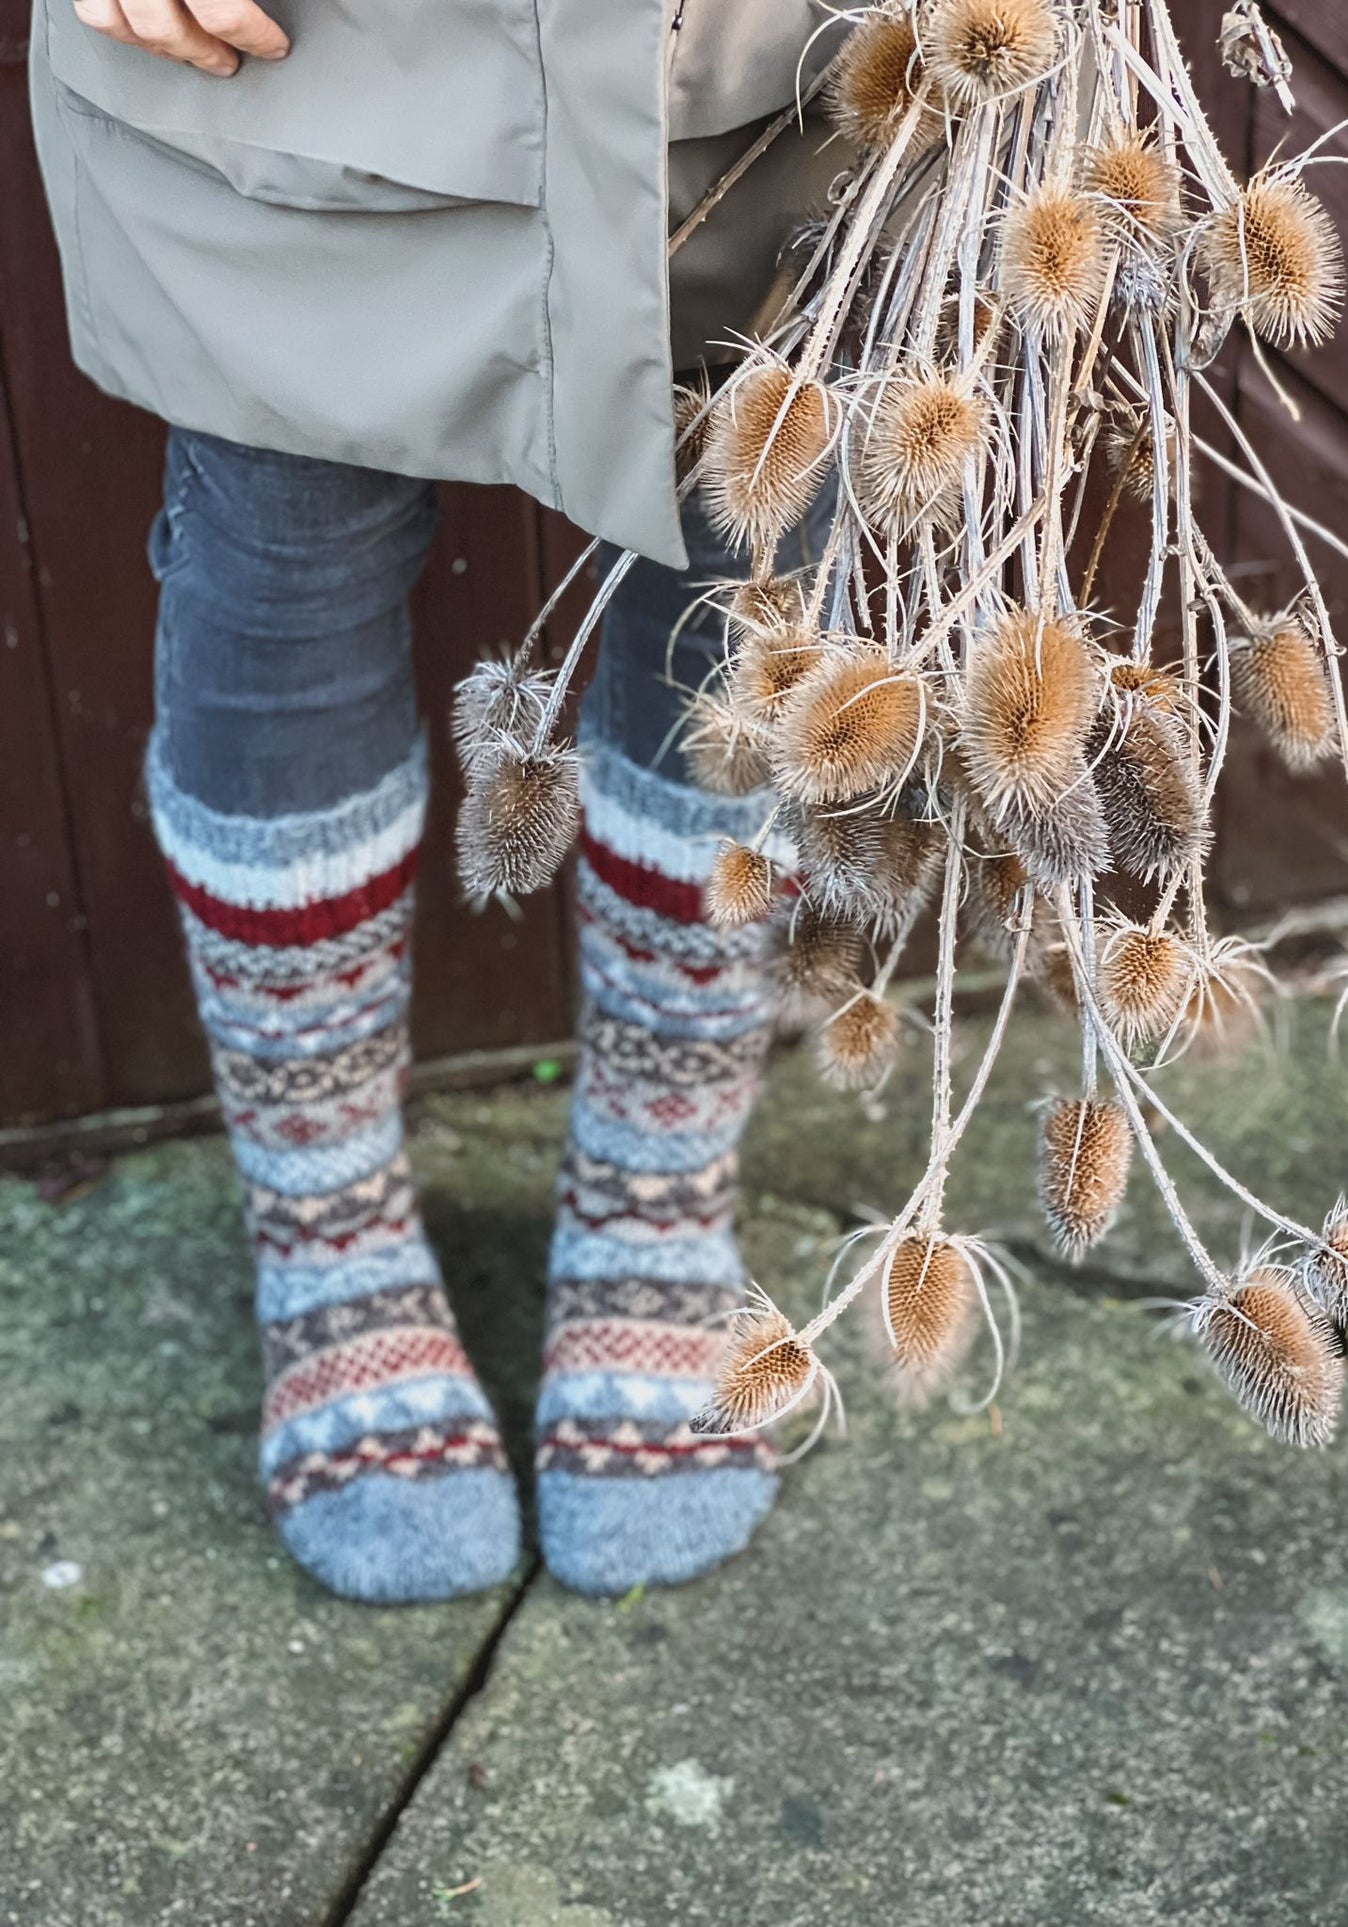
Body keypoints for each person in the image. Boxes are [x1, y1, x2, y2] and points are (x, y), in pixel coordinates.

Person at [29, 0, 843, 1602]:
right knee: (280, 556)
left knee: (750, 552)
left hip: (785, 50)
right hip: (296, 55)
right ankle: (326, 1231)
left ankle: (655, 1191)